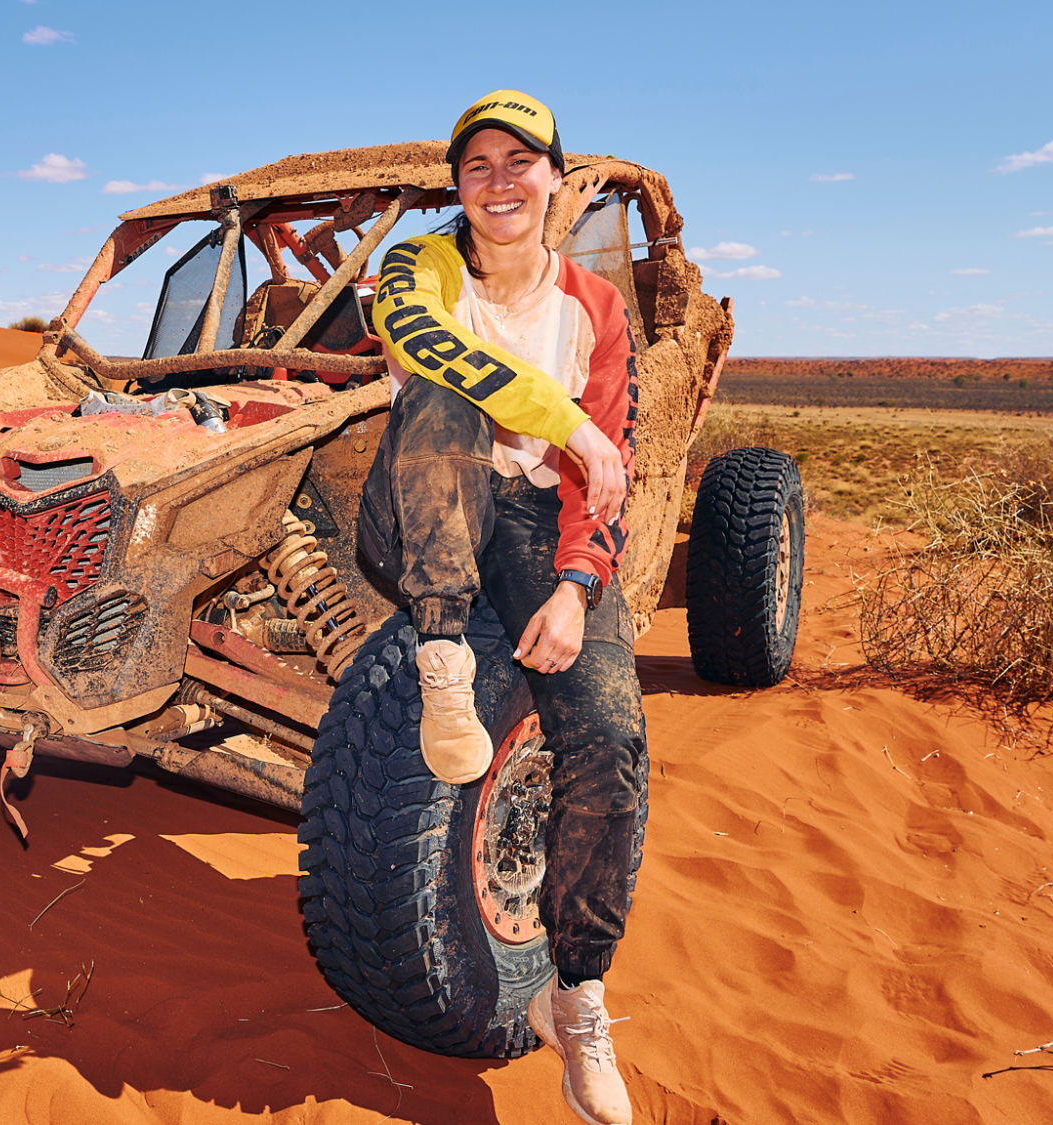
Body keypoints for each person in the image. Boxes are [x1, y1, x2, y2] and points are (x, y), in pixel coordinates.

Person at [356, 89, 647, 1125]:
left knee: (607, 742)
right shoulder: (416, 268)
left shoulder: (595, 309)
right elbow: (421, 347)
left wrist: (573, 589)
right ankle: (441, 651)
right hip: (422, 503)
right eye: (475, 165)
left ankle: (577, 1001)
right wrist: (567, 420)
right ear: (457, 187)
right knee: (440, 394)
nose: (496, 180)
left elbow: (604, 481)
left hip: (538, 524)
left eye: (518, 162)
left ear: (553, 183)